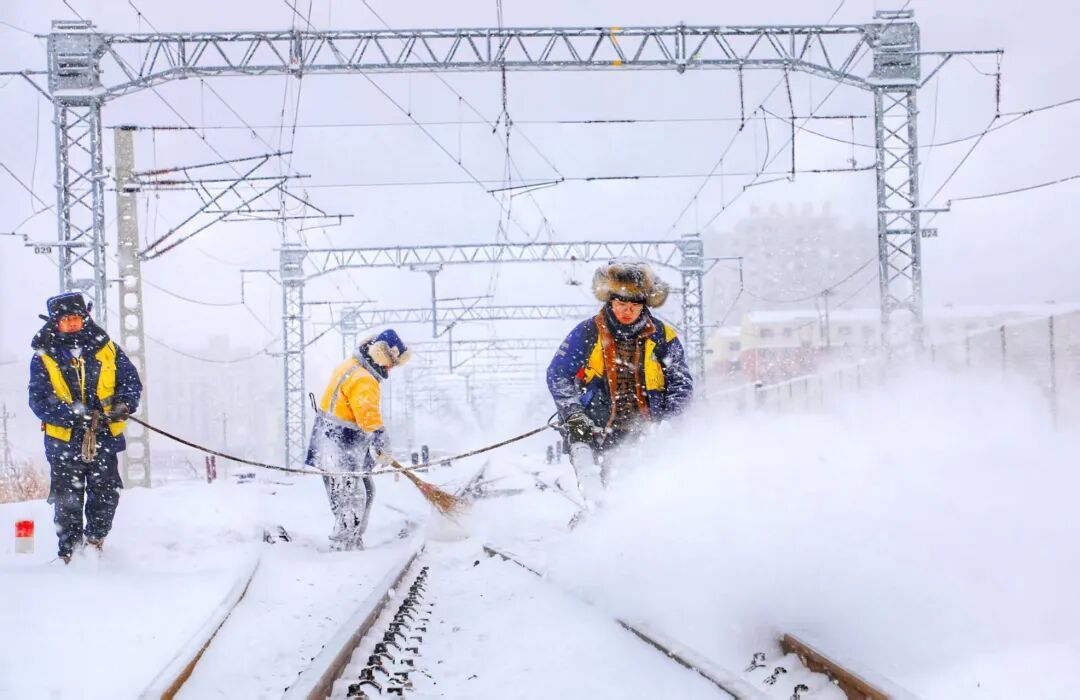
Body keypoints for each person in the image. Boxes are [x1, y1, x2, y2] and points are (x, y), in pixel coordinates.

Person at [547, 261, 693, 508]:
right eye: (621, 304)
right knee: (593, 480)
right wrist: (572, 414)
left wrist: (670, 419)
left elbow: (680, 382)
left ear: (644, 305)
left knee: (641, 486)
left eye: (634, 306)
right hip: (592, 426)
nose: (627, 311)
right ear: (609, 302)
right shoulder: (587, 332)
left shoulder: (662, 336)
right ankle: (598, 516)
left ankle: (632, 524)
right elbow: (558, 374)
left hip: (645, 427)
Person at [28, 292, 142, 564]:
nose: (71, 323)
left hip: (102, 436)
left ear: (85, 317)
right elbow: (38, 401)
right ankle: (69, 553)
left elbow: (130, 383)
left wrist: (123, 405)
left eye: (76, 318)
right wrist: (75, 416)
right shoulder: (43, 357)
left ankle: (95, 541)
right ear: (54, 322)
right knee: (67, 500)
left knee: (106, 493)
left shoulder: (108, 349)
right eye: (65, 319)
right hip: (63, 443)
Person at [305, 329, 411, 551]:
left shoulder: (350, 366)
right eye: (391, 363)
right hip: (339, 443)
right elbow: (368, 416)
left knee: (361, 490)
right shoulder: (364, 379)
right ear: (382, 355)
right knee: (350, 497)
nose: (391, 369)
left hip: (331, 439)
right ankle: (344, 545)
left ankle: (350, 539)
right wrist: (381, 440)